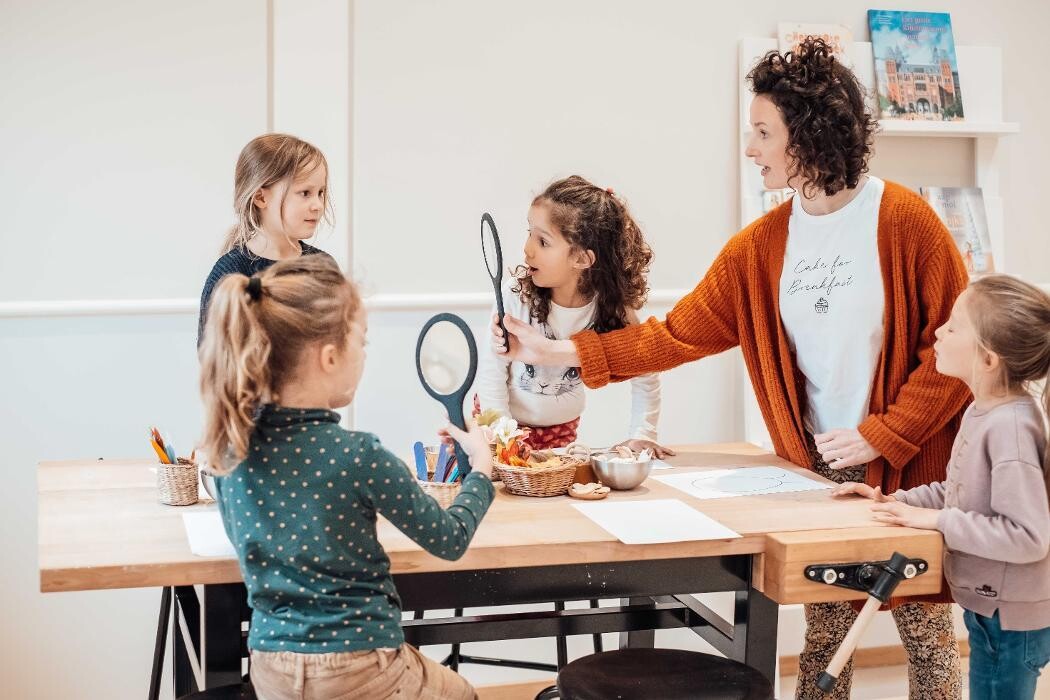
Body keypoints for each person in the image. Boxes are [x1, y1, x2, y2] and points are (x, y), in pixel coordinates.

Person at [492, 38, 969, 698]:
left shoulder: (908, 225)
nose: (750, 148)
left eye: (762, 132)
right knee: (827, 635)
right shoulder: (762, 246)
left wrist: (882, 434)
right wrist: (558, 352)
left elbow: (955, 358)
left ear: (809, 135)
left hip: (909, 466)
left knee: (927, 635)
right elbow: (675, 337)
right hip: (821, 470)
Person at [198, 255, 494, 700]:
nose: (364, 354)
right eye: (363, 342)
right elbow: (449, 539)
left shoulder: (227, 453)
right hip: (361, 666)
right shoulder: (359, 456)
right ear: (330, 357)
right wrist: (482, 472)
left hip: (270, 669)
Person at [835, 274, 1050, 699]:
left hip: (1010, 617)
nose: (937, 332)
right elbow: (962, 491)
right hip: (990, 606)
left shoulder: (1011, 429)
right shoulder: (984, 411)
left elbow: (1029, 538)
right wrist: (896, 500)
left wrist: (934, 519)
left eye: (952, 326)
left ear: (987, 359)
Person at [477, 175, 669, 454]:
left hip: (562, 430)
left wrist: (644, 433)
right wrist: (503, 438)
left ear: (581, 259)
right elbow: (490, 376)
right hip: (499, 425)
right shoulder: (516, 294)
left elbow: (646, 368)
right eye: (529, 233)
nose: (527, 248)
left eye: (542, 241)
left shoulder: (610, 306)